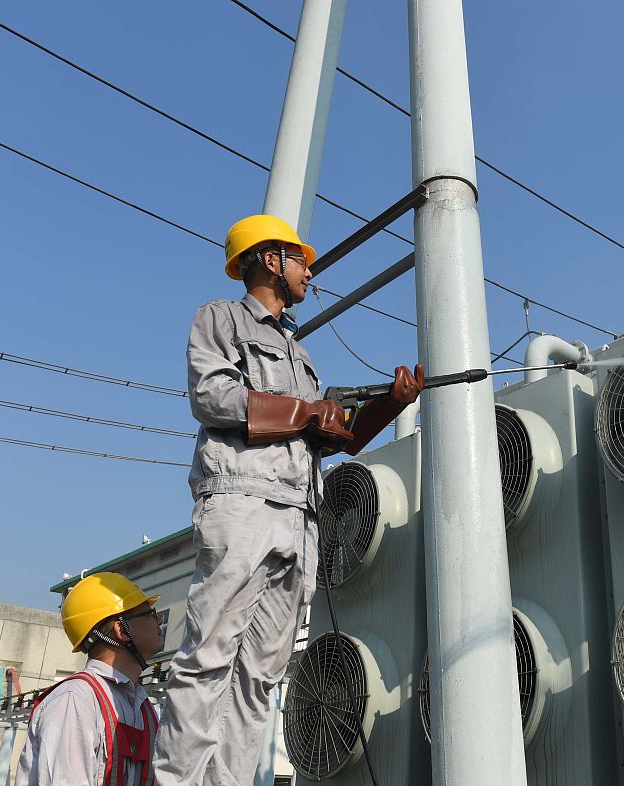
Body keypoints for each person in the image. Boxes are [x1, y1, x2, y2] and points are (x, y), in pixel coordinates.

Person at [153, 215, 422, 785]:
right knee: (208, 660)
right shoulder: (220, 318)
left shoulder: (300, 354)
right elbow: (213, 396)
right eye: (299, 259)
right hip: (242, 500)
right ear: (269, 260)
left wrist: (392, 404)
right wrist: (306, 411)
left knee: (259, 675)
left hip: (298, 517)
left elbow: (336, 439)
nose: (308, 269)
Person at [14, 572, 165, 786]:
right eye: (150, 613)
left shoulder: (144, 707)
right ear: (121, 629)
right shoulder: (75, 700)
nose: (159, 619)